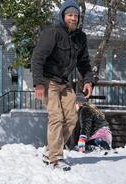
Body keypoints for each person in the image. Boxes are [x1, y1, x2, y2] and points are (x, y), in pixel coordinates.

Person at [31, 0, 94, 171]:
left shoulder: (80, 38)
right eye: (70, 15)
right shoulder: (53, 33)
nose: (73, 18)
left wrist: (88, 80)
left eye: (76, 15)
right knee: (56, 117)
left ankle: (50, 151)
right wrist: (38, 83)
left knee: (72, 118)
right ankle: (56, 158)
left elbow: (84, 62)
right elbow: (37, 58)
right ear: (63, 16)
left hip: (64, 83)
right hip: (47, 81)